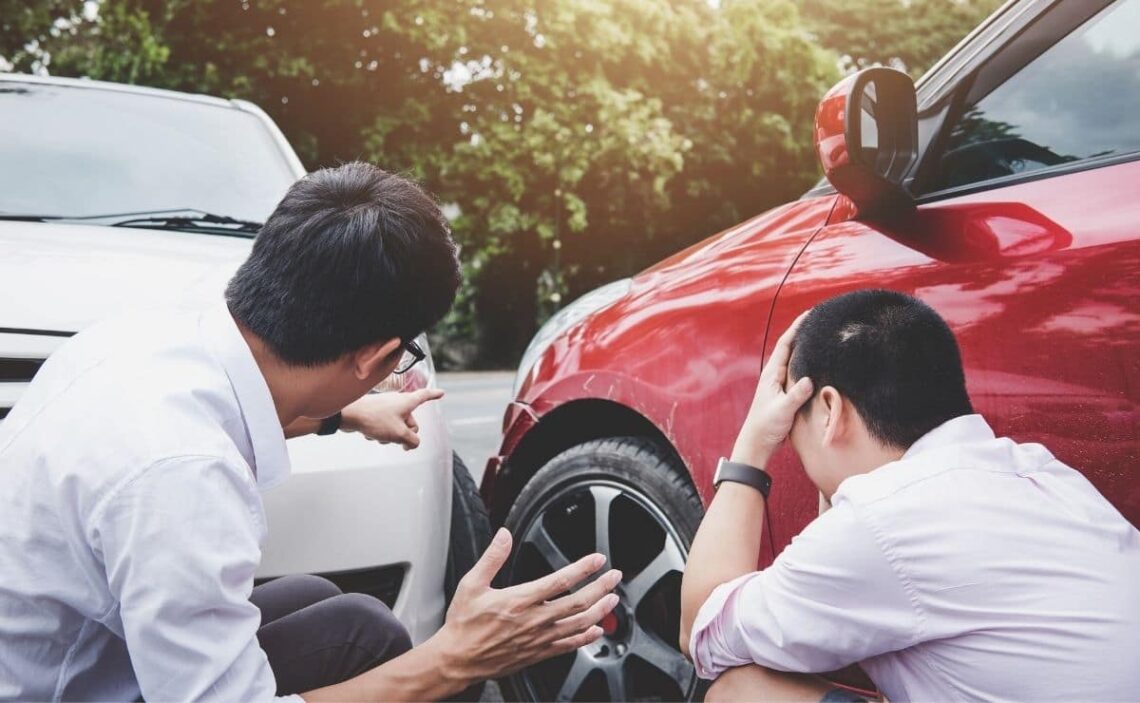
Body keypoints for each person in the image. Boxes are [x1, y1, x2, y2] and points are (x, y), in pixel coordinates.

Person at [0, 162, 622, 701]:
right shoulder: (183, 477)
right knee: (380, 640)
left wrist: (342, 414)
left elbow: (229, 414)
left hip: (74, 649)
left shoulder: (148, 336)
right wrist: (457, 658)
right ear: (374, 359)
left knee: (331, 606)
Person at [679, 289, 1140, 702]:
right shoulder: (1044, 473)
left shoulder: (879, 523)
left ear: (828, 410)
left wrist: (753, 445)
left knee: (740, 691)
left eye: (792, 438)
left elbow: (701, 630)